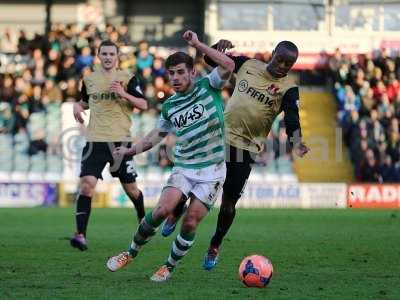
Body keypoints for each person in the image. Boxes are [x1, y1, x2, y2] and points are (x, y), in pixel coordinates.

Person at [161, 39, 310, 270]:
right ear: (272, 54)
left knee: (228, 203)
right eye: (280, 59)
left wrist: (297, 140)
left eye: (288, 64)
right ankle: (176, 211)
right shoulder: (248, 64)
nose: (282, 66)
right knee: (196, 180)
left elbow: (292, 117)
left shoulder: (289, 88)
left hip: (246, 149)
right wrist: (217, 49)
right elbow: (211, 60)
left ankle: (215, 244)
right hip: (218, 138)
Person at [105, 30, 234, 282]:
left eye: (180, 72)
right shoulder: (171, 106)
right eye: (171, 73)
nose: (174, 78)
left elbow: (228, 64)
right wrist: (130, 150)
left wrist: (197, 44)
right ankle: (130, 252)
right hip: (184, 166)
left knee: (190, 222)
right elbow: (156, 135)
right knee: (162, 210)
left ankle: (169, 266)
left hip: (213, 171)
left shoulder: (210, 85)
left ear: (192, 73)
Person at [70, 40, 148, 251]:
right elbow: (86, 101)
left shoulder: (127, 78)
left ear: (117, 56)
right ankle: (80, 235)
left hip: (120, 142)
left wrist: (123, 93)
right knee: (86, 184)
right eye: (103, 53)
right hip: (95, 141)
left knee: (131, 190)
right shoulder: (89, 79)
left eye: (111, 54)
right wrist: (77, 105)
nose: (107, 57)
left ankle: (143, 219)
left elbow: (143, 104)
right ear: (98, 55)